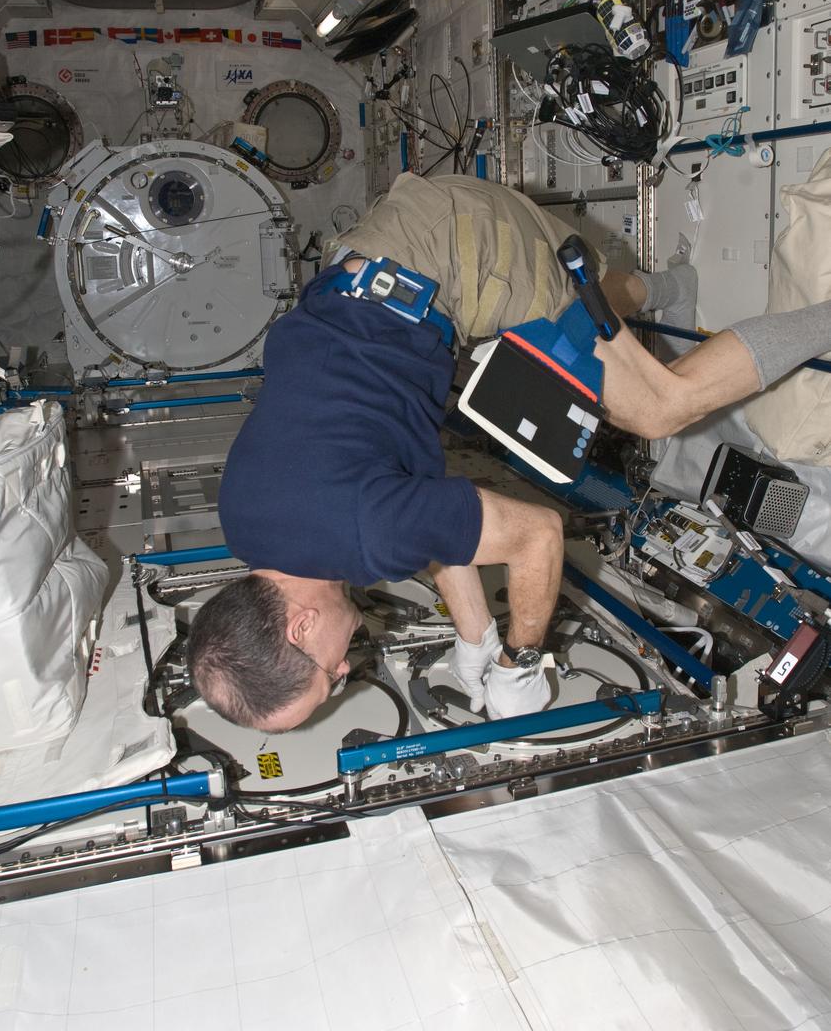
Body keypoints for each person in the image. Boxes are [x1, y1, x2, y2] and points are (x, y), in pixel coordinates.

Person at [187, 171, 831, 731]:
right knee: (576, 322)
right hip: (381, 259)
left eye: (326, 676)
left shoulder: (360, 532)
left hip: (456, 253)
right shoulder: (249, 522)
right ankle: (669, 286)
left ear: (298, 627)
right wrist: (475, 635)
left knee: (657, 405)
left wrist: (518, 659)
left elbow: (538, 537)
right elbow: (423, 508)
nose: (344, 667)